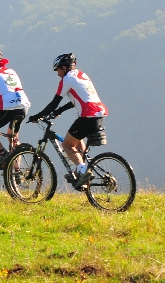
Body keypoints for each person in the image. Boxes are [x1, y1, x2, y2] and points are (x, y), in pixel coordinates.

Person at [28, 53, 107, 189]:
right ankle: (83, 168)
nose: (58, 73)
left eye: (58, 70)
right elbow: (75, 101)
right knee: (76, 139)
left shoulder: (67, 80)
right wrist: (59, 111)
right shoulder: (82, 75)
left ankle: (83, 171)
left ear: (64, 68)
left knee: (67, 145)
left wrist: (36, 116)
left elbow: (54, 103)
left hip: (88, 116)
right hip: (99, 114)